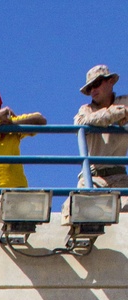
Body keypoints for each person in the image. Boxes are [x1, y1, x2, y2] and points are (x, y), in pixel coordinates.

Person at [72, 65, 128, 207]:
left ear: (110, 82)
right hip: (92, 178)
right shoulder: (86, 110)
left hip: (119, 177)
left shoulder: (125, 101)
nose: (93, 90)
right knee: (79, 215)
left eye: (96, 84)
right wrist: (117, 114)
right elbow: (80, 123)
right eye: (89, 88)